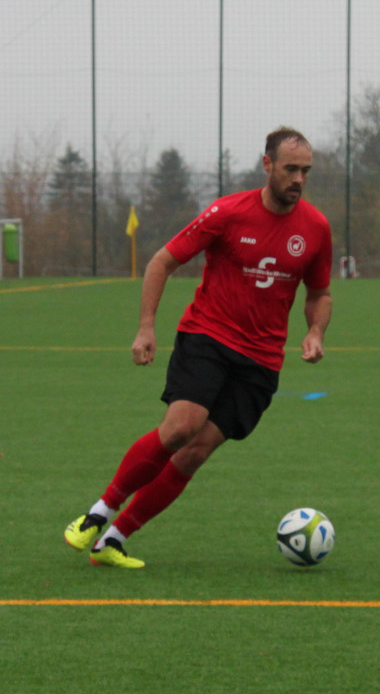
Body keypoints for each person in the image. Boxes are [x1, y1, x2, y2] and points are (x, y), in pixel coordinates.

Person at [63, 127, 334, 568]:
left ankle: (113, 540)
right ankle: (98, 512)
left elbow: (319, 293)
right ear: (267, 165)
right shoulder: (228, 212)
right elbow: (162, 261)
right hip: (209, 336)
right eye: (290, 169)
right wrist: (146, 327)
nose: (298, 179)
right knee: (179, 429)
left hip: (261, 362)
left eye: (305, 171)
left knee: (193, 453)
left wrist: (315, 332)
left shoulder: (316, 228)